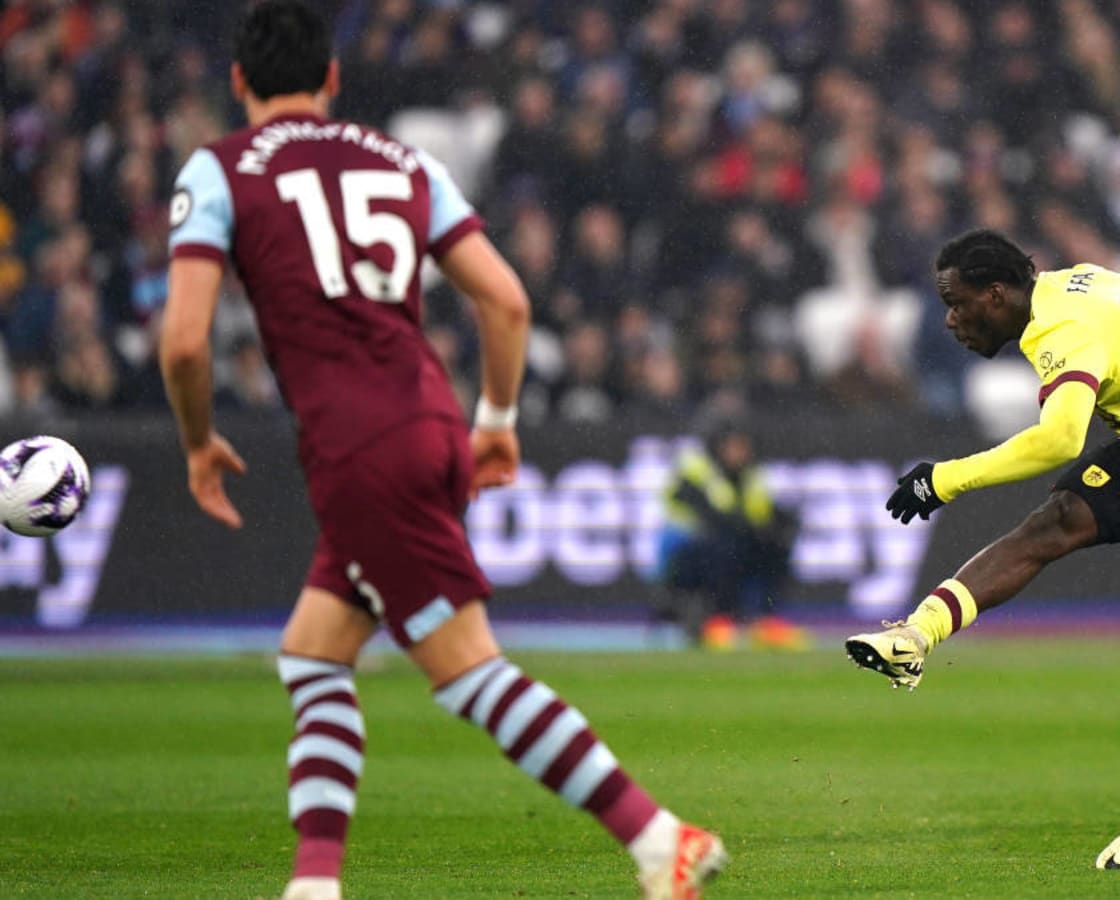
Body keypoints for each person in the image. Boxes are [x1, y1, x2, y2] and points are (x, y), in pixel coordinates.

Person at [156, 5, 726, 899]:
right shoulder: (404, 161)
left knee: (468, 674)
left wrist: (197, 442)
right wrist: (495, 415)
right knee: (313, 654)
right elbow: (505, 302)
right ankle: (313, 885)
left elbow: (186, 343)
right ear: (333, 81)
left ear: (237, 83)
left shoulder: (219, 170)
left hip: (356, 449)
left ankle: (659, 839)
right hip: (427, 419)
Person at [846, 229, 1120, 870]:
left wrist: (945, 478)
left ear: (996, 295)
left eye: (956, 301)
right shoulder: (1079, 280)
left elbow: (1058, 441)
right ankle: (916, 636)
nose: (949, 319)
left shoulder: (1060, 333)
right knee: (1052, 523)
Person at [655, 414, 806, 650]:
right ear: (718, 447)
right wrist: (752, 528)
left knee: (774, 547)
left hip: (727, 545)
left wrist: (783, 526)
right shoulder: (695, 471)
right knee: (725, 547)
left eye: (743, 447)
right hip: (683, 554)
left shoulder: (750, 476)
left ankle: (766, 620)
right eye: (734, 446)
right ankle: (719, 619)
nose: (739, 453)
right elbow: (713, 515)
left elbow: (763, 513)